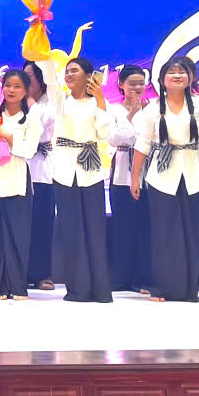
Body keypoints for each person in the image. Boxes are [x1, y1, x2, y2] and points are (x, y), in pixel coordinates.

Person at [130, 57, 199, 302]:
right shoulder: (153, 109)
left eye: (182, 72)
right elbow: (142, 144)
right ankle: (164, 288)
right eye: (172, 72)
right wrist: (135, 178)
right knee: (164, 234)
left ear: (191, 78)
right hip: (161, 176)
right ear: (162, 80)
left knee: (192, 232)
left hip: (193, 174)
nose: (177, 75)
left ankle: (189, 289)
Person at [42, 56, 115, 303]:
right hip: (64, 171)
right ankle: (78, 289)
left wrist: (101, 99)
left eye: (75, 70)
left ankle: (100, 289)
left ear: (88, 76)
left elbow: (105, 132)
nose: (69, 75)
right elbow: (50, 79)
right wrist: (42, 49)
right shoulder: (61, 100)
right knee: (71, 230)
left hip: (90, 170)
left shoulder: (98, 103)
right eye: (67, 71)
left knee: (95, 229)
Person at [0, 69, 42, 300]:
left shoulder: (31, 118)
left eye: (17, 86)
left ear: (26, 91)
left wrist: (7, 135)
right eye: (8, 85)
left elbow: (30, 150)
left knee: (17, 236)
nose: (11, 90)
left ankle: (17, 287)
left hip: (17, 182)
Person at [107, 64, 151, 293]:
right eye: (132, 83)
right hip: (121, 173)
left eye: (141, 83)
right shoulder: (112, 110)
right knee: (123, 226)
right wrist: (131, 115)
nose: (137, 88)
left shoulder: (152, 109)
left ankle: (141, 278)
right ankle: (120, 277)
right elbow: (114, 139)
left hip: (147, 174)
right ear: (121, 84)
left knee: (144, 227)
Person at [21, 59, 57, 290]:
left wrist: (30, 102)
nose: (25, 81)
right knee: (21, 225)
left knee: (42, 224)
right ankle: (20, 272)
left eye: (30, 76)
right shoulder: (17, 101)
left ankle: (42, 273)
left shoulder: (50, 102)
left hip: (43, 172)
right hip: (19, 170)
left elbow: (42, 127)